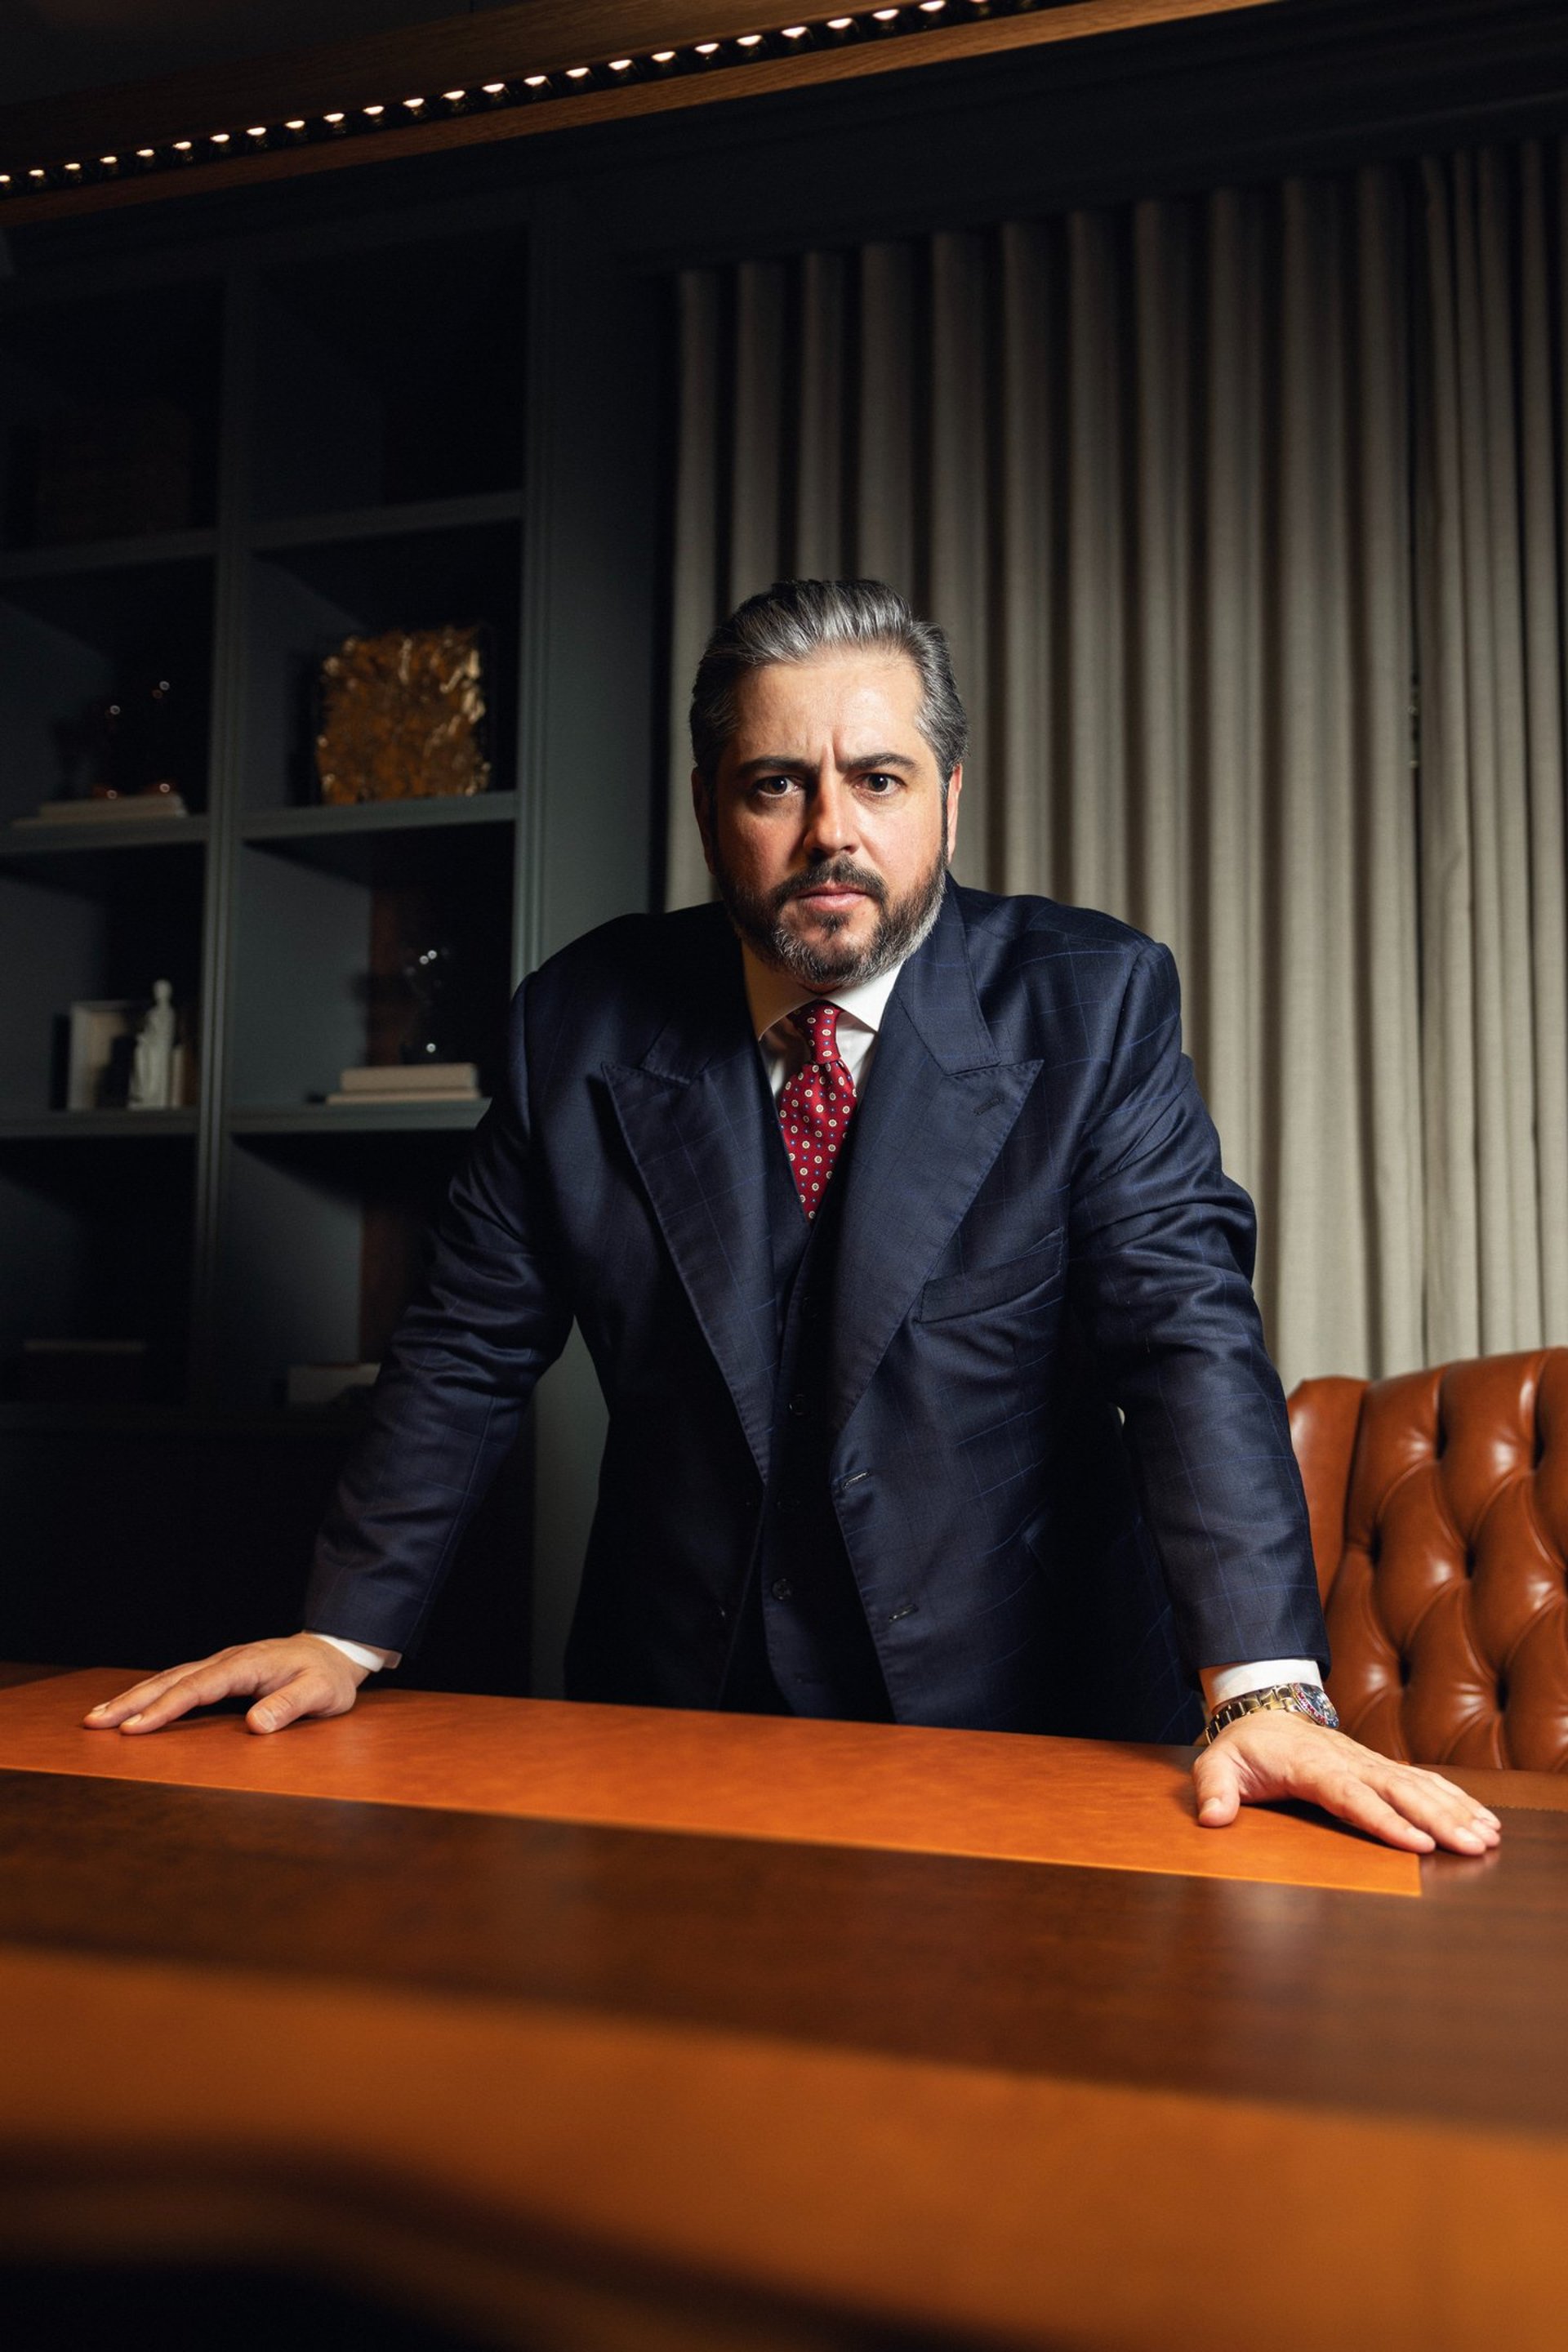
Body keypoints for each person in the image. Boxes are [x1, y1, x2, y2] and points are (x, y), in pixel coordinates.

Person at [88, 581, 1499, 1859]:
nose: (832, 830)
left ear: (948, 796)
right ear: (712, 809)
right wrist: (347, 1626)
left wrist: (1262, 1688)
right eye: (778, 783)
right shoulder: (574, 1024)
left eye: (877, 779)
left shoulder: (1095, 1003)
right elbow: (464, 1346)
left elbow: (1185, 1338)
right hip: (683, 1710)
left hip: (1037, 1711)